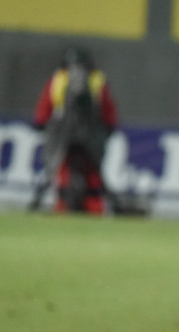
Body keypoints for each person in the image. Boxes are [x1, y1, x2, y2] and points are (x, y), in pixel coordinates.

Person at [32, 46, 118, 214]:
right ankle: (86, 207)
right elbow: (107, 106)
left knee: (72, 170)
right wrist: (110, 125)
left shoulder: (60, 79)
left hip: (72, 132)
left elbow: (46, 103)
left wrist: (41, 121)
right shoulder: (95, 80)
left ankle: (70, 207)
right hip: (80, 132)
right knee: (85, 171)